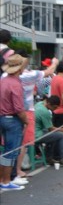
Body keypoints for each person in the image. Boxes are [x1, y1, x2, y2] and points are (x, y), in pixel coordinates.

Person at [0, 54, 29, 191]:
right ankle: (6, 181)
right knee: (11, 152)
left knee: (6, 151)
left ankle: (4, 180)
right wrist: (26, 120)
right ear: (20, 68)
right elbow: (19, 109)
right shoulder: (15, 84)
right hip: (13, 119)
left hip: (3, 117)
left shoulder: (3, 81)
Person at [34, 95, 63, 167]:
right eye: (54, 107)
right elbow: (51, 129)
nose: (54, 110)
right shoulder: (44, 112)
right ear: (49, 104)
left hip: (34, 132)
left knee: (53, 135)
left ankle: (49, 157)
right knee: (60, 135)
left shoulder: (39, 104)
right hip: (37, 134)